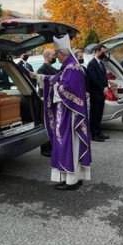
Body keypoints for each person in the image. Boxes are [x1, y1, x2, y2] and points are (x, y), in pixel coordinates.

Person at [35, 35, 91, 190]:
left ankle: (71, 180)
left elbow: (65, 88)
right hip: (69, 111)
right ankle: (75, 177)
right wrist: (40, 77)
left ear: (62, 53)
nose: (56, 58)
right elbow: (56, 79)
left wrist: (53, 87)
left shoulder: (71, 67)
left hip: (69, 113)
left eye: (56, 55)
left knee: (69, 144)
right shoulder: (69, 66)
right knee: (72, 143)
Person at [36, 48, 58, 156]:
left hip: (52, 99)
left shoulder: (52, 68)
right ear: (47, 56)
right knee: (46, 124)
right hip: (45, 100)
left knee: (52, 124)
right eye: (53, 55)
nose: (54, 57)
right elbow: (42, 85)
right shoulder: (41, 69)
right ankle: (45, 149)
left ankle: (52, 146)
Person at [85, 43, 109, 142]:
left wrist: (106, 86)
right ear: (96, 51)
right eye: (102, 51)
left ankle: (99, 131)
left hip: (102, 92)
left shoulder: (101, 63)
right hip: (95, 92)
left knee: (99, 113)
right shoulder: (92, 64)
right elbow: (94, 79)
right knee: (94, 114)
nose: (104, 53)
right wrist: (102, 88)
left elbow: (104, 77)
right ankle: (93, 134)